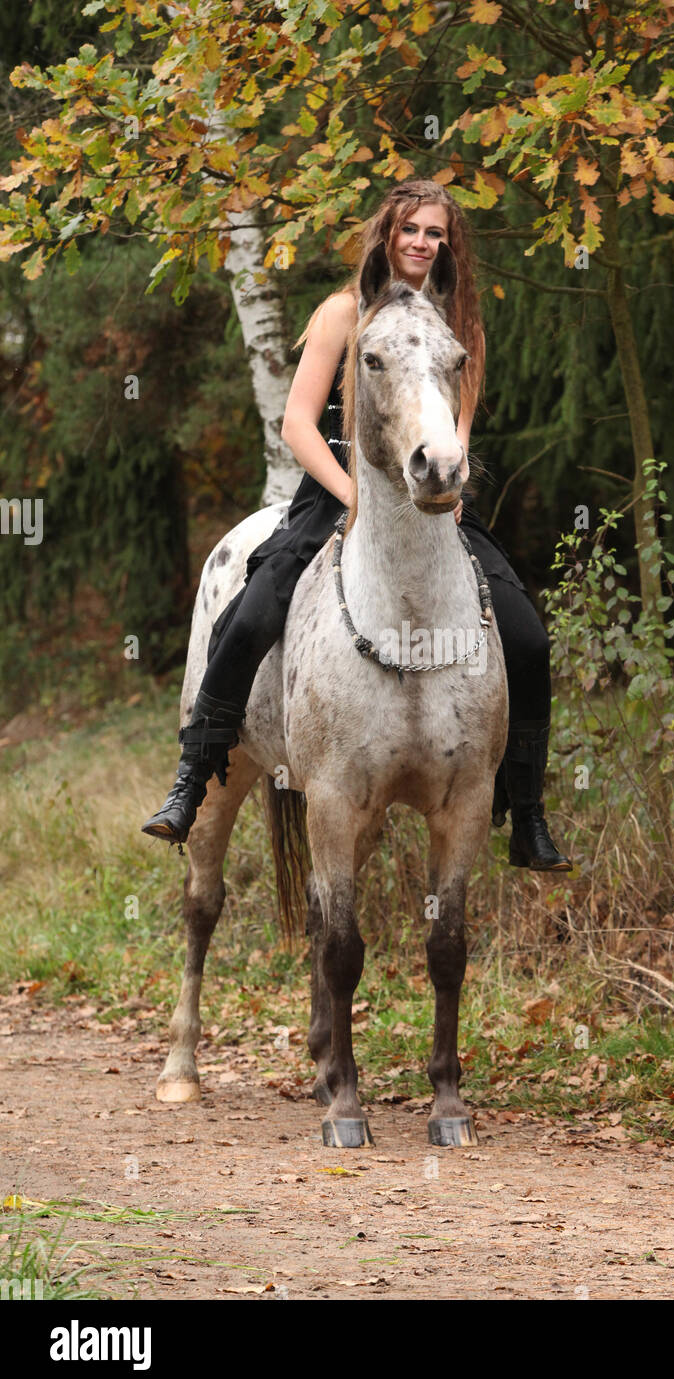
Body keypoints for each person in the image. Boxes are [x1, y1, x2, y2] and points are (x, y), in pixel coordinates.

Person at [142, 179, 571, 872]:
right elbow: (296, 424)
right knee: (250, 617)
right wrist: (351, 498)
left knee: (525, 633)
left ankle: (527, 814)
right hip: (337, 493)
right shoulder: (344, 312)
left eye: (436, 232)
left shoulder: (459, 322)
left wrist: (453, 479)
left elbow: (457, 423)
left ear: (448, 243)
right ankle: (194, 778)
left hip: (430, 496)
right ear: (387, 235)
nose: (423, 243)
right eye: (411, 230)